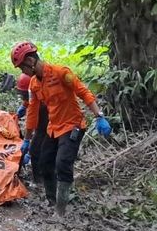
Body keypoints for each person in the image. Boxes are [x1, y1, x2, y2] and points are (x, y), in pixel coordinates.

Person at [11, 41, 112, 216]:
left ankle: (61, 210)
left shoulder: (61, 73)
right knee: (44, 162)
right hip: (53, 127)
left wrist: (99, 116)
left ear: (30, 61)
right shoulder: (34, 84)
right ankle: (52, 200)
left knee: (62, 163)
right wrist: (27, 140)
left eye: (22, 68)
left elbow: (83, 92)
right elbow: (32, 113)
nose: (23, 72)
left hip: (73, 125)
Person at [16, 73, 48, 188]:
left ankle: (41, 180)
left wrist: (27, 139)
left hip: (48, 124)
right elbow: (28, 99)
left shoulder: (41, 100)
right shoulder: (33, 95)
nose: (24, 96)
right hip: (42, 124)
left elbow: (31, 120)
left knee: (38, 150)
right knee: (36, 149)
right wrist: (24, 106)